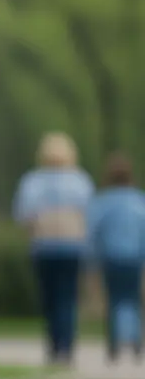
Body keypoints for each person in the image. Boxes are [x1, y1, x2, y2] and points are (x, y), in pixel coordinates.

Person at [12, 132, 94, 364]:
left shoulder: (33, 181)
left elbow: (22, 214)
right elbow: (90, 214)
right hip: (73, 246)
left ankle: (54, 344)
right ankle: (66, 345)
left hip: (44, 246)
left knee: (49, 298)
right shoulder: (80, 181)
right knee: (67, 297)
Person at [87, 153, 145, 361]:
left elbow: (94, 231)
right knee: (134, 299)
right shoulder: (139, 200)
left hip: (111, 257)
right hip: (134, 257)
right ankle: (136, 342)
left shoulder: (103, 202)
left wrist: (91, 261)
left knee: (113, 300)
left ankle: (113, 345)